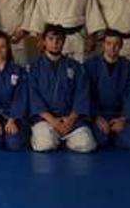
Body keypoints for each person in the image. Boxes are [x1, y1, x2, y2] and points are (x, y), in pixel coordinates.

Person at [27, 25, 96, 153]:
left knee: (87, 144)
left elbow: (81, 95)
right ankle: (57, 138)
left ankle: (63, 139)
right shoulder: (34, 68)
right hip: (46, 120)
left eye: (59, 39)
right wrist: (53, 121)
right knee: (44, 144)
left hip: (70, 119)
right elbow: (34, 98)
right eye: (51, 39)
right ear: (44, 41)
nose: (55, 43)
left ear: (64, 42)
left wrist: (70, 120)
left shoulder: (75, 67)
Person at [83, 30, 130, 150]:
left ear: (121, 46)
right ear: (103, 45)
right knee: (98, 141)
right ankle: (110, 136)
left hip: (120, 115)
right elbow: (85, 94)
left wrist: (124, 118)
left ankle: (116, 134)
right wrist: (96, 117)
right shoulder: (90, 65)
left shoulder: (129, 67)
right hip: (98, 116)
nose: (112, 48)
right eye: (109, 43)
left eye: (116, 44)